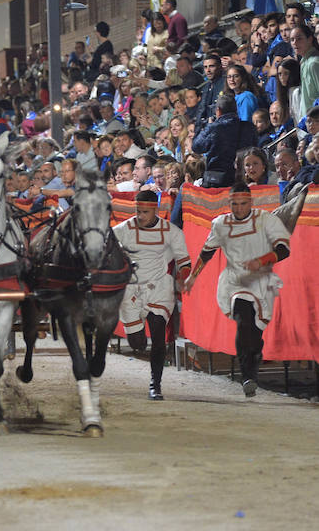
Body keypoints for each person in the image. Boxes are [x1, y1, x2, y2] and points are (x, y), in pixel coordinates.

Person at [183, 183, 291, 397]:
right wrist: (192, 277)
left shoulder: (266, 220)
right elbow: (207, 252)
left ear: (250, 202)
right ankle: (248, 376)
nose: (239, 208)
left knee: (254, 332)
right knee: (243, 322)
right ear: (229, 203)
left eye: (243, 204)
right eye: (235, 204)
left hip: (261, 280)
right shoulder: (220, 224)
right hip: (234, 282)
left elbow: (283, 249)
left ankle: (253, 362)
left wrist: (261, 261)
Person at [113, 190, 190, 399]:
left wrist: (184, 277)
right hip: (132, 289)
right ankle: (138, 340)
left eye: (145, 212)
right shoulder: (123, 229)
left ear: (155, 209)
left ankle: (155, 385)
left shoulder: (171, 231)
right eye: (137, 211)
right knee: (138, 343)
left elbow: (184, 261)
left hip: (159, 287)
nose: (140, 216)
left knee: (158, 336)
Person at [192, 94, 257, 188]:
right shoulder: (249, 127)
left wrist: (207, 127)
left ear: (218, 111)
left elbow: (196, 146)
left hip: (217, 180)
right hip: (244, 177)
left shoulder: (214, 128)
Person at [289, 23, 319, 118]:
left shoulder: (314, 63)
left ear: (309, 39)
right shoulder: (304, 62)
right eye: (292, 40)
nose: (295, 43)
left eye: (299, 39)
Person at [194, 53, 226, 135]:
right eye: (205, 67)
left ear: (220, 66)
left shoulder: (225, 84)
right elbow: (202, 110)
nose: (208, 70)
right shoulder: (206, 86)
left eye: (211, 66)